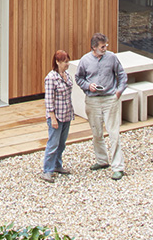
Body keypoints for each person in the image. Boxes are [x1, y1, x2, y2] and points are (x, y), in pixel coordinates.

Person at [75, 32, 126, 179]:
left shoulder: (112, 57)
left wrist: (118, 92)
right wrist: (88, 86)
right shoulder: (85, 60)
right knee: (97, 133)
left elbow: (121, 74)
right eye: (102, 47)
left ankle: (118, 167)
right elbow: (79, 78)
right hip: (93, 100)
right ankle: (102, 160)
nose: (105, 48)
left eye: (106, 46)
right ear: (94, 47)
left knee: (114, 133)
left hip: (110, 99)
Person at [40, 50, 74, 182]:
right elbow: (49, 100)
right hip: (57, 116)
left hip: (66, 114)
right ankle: (47, 170)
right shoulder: (51, 78)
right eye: (65, 62)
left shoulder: (67, 75)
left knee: (61, 143)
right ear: (57, 62)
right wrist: (52, 118)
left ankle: (57, 165)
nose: (67, 64)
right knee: (53, 143)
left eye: (68, 61)